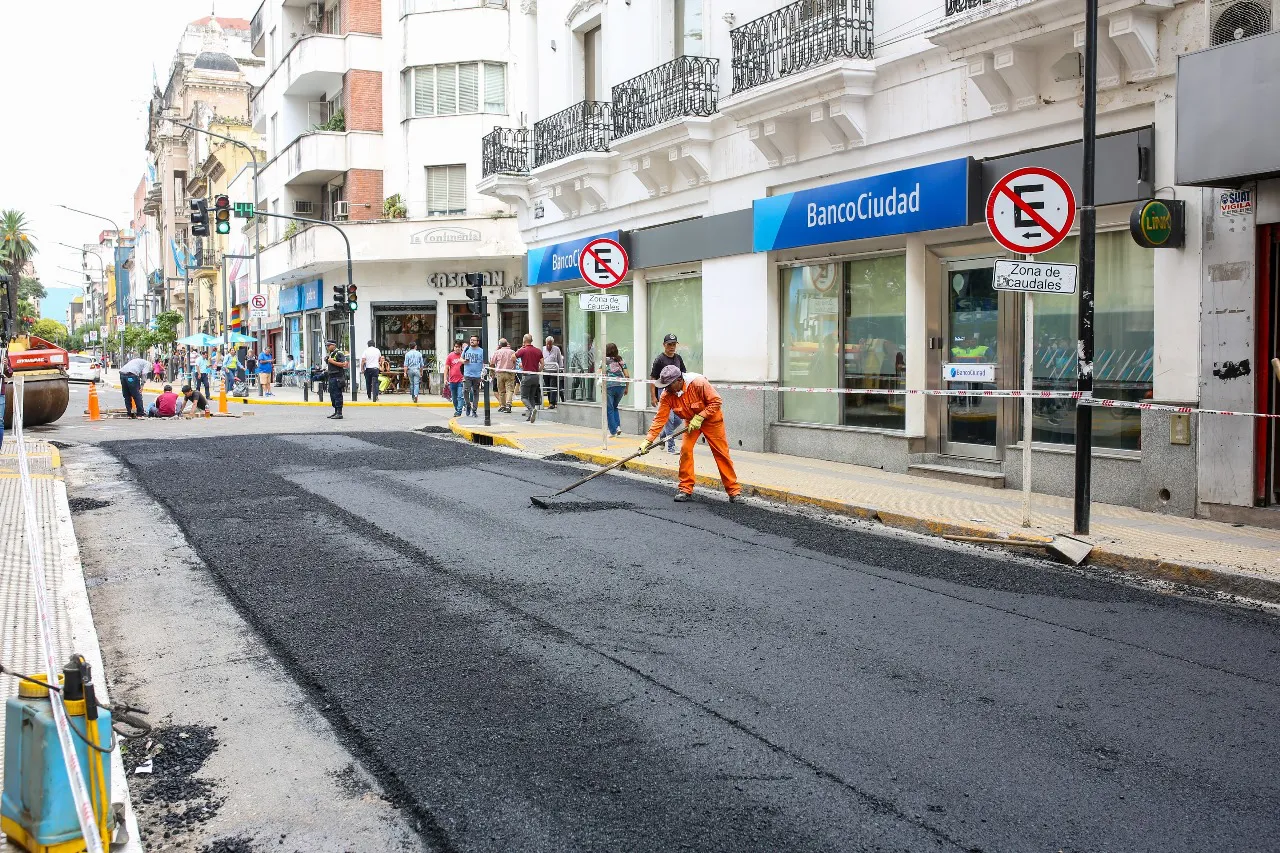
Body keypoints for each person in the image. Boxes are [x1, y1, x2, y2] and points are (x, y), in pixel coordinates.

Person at [640, 365, 741, 503]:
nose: (666, 388)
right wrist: (648, 440)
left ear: (679, 380)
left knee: (721, 453)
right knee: (685, 450)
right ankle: (685, 489)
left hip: (712, 421)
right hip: (691, 422)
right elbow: (660, 418)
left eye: (668, 385)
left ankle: (734, 491)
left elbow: (716, 401)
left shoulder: (699, 383)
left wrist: (701, 416)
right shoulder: (667, 395)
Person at [649, 333, 687, 454]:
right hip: (664, 391)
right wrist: (653, 396)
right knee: (669, 419)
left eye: (674, 344)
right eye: (669, 344)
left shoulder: (678, 358)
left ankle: (663, 435)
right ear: (664, 345)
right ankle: (671, 447)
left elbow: (683, 374)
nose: (672, 347)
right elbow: (653, 379)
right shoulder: (659, 360)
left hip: (677, 392)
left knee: (678, 419)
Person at [514, 334, 543, 423]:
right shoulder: (538, 351)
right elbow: (543, 364)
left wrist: (520, 364)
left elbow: (512, 357)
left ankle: (531, 410)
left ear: (524, 340)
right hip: (535, 376)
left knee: (523, 397)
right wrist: (537, 371)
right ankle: (531, 416)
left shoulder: (523, 350)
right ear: (531, 340)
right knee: (531, 397)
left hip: (526, 376)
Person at [604, 342, 629, 437]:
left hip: (609, 386)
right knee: (615, 406)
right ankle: (618, 427)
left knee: (609, 408)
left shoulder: (605, 360)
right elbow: (627, 375)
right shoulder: (620, 360)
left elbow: (599, 373)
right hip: (621, 386)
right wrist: (626, 388)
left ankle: (613, 431)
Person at [490, 338, 517, 413]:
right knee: (509, 390)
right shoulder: (512, 352)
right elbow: (515, 362)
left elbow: (492, 363)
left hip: (500, 373)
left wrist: (492, 372)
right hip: (510, 372)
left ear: (500, 345)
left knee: (501, 390)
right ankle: (508, 404)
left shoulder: (497, 352)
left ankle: (502, 406)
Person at [324, 339, 348, 419]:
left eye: (329, 345)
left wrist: (332, 362)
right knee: (333, 395)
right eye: (327, 346)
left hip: (337, 377)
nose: (327, 347)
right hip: (331, 377)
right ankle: (335, 411)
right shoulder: (331, 354)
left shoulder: (339, 353)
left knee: (337, 395)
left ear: (333, 345)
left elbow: (344, 364)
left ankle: (339, 413)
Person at [461, 335, 485, 417]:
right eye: (471, 340)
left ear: (478, 342)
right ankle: (468, 405)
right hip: (467, 374)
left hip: (477, 375)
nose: (472, 341)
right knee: (465, 391)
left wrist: (483, 374)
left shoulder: (482, 351)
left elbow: (484, 363)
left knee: (476, 392)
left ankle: (474, 410)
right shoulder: (466, 349)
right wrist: (464, 361)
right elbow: (460, 359)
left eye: (474, 340)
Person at [444, 340, 465, 416]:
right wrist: (445, 379)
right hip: (452, 380)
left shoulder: (463, 355)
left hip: (461, 380)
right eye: (456, 347)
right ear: (454, 347)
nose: (457, 348)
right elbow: (446, 368)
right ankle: (457, 409)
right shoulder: (450, 356)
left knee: (460, 396)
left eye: (459, 347)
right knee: (454, 398)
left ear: (461, 348)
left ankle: (459, 411)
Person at [541, 336, 563, 410]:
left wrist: (560, 369)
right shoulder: (543, 349)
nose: (548, 346)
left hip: (554, 371)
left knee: (552, 386)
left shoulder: (556, 349)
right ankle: (551, 401)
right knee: (548, 387)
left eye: (550, 344)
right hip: (545, 371)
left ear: (552, 343)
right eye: (547, 344)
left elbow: (559, 359)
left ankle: (552, 402)